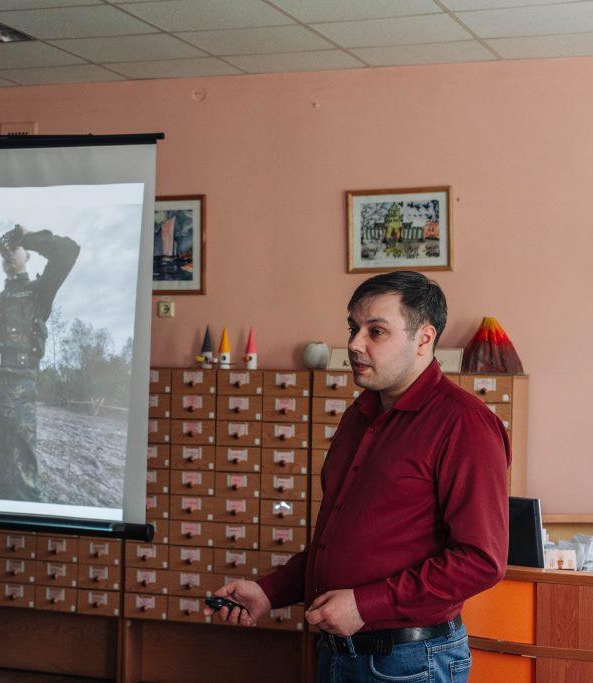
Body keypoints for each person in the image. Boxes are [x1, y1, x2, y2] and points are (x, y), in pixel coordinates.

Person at [205, 271, 510, 682]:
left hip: (410, 663)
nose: (353, 344)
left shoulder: (464, 424)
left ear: (423, 339)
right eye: (353, 328)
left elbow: (480, 561)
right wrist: (268, 591)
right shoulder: (359, 415)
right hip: (339, 653)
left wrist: (366, 605)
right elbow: (341, 543)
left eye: (375, 331)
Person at [0, 224, 79, 501]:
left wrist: (27, 237)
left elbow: (69, 251)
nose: (8, 255)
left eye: (15, 250)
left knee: (24, 473)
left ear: (28, 256)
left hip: (19, 388)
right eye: (4, 253)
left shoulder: (39, 292)